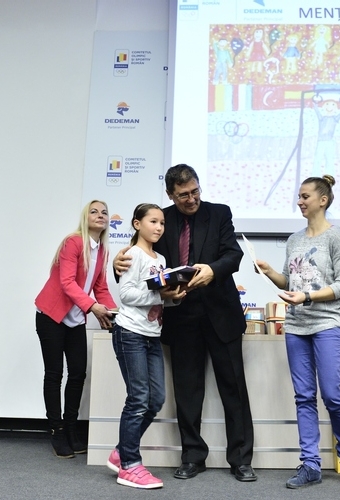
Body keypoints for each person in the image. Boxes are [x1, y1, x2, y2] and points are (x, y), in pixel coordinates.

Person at [113, 164, 256, 482]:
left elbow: (233, 255)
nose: (191, 199)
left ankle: (241, 459)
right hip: (180, 317)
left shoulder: (219, 213)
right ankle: (192, 456)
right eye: (183, 195)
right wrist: (116, 262)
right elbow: (138, 259)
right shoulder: (160, 220)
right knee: (187, 393)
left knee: (233, 389)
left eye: (195, 192)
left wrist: (213, 270)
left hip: (221, 315)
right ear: (170, 195)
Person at [255, 175, 340, 489]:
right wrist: (269, 272)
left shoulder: (337, 238)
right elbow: (289, 282)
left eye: (305, 196)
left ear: (323, 200)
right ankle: (310, 464)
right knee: (304, 397)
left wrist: (307, 297)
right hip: (296, 327)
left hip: (328, 324)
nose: (299, 201)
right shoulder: (294, 240)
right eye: (299, 196)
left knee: (331, 395)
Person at [106, 203, 186, 489]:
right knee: (138, 398)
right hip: (130, 333)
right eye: (153, 221)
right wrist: (160, 295)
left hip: (151, 335)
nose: (159, 227)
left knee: (155, 400)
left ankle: (121, 451)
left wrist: (174, 296)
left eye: (162, 223)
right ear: (137, 224)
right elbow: (127, 295)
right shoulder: (132, 254)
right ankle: (129, 465)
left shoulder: (161, 258)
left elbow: (157, 299)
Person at [34, 200, 116, 458]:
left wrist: (115, 314)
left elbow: (101, 288)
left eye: (104, 212)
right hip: (51, 316)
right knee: (54, 374)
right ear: (85, 217)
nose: (100, 215)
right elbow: (67, 282)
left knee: (78, 373)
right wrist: (93, 307)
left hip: (75, 318)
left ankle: (71, 427)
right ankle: (56, 430)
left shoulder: (102, 250)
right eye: (94, 211)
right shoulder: (73, 242)